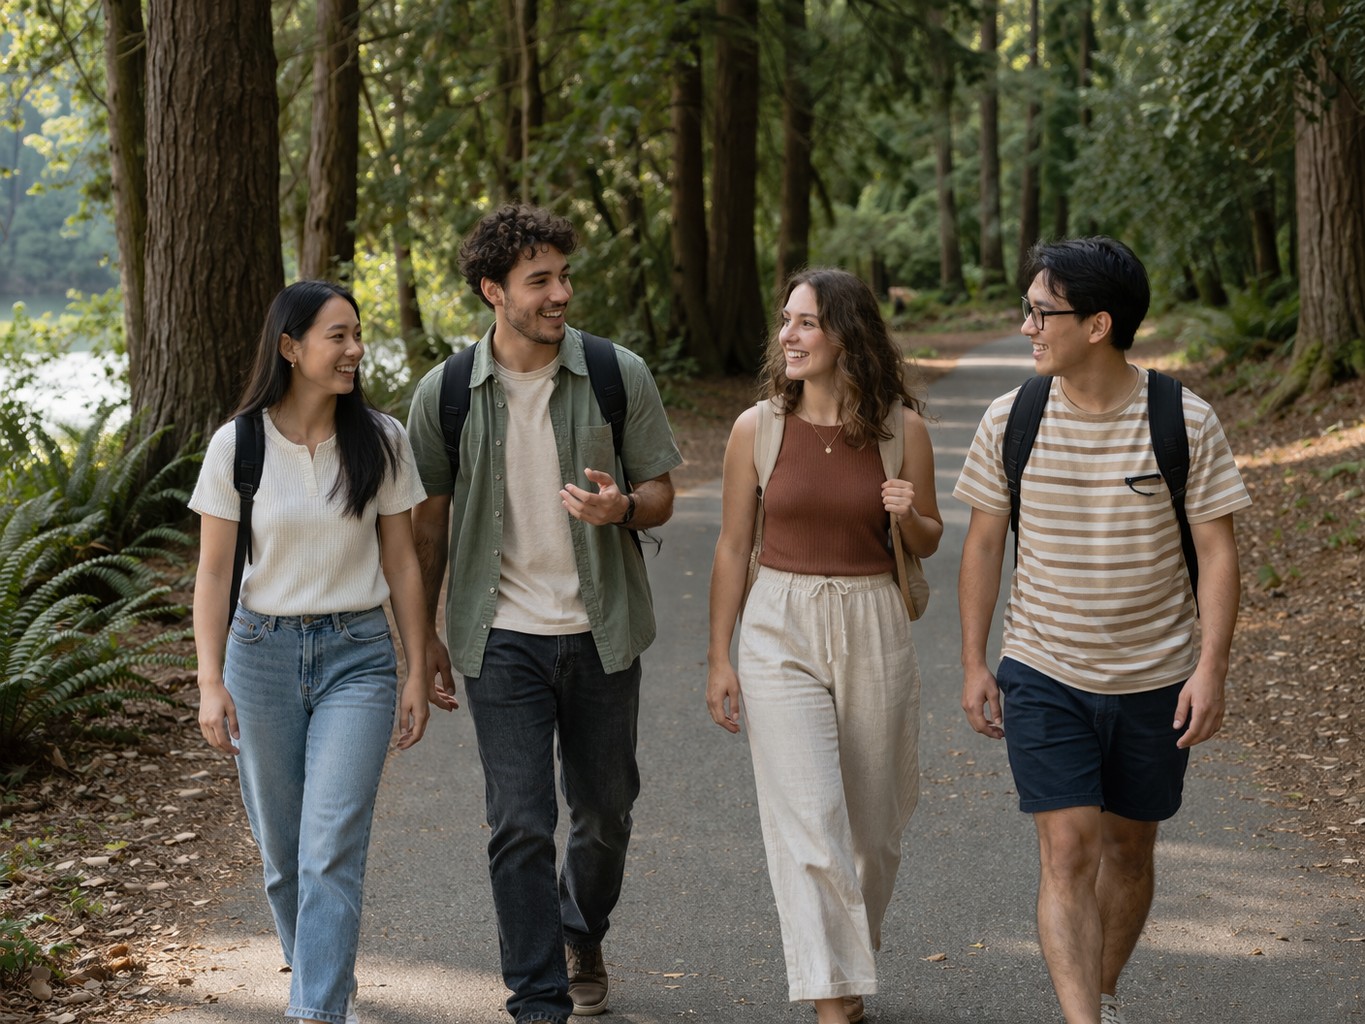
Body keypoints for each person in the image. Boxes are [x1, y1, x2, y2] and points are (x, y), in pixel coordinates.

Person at [954, 237, 1251, 1024]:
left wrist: (1210, 668)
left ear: (1096, 325)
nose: (1025, 326)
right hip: (1043, 668)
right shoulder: (1010, 417)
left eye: (1038, 311)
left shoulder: (1180, 419)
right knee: (1067, 851)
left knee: (1127, 851)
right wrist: (974, 662)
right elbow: (984, 543)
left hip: (1156, 677)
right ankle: (1080, 1019)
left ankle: (1104, 991)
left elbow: (1217, 552)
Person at [405, 204, 682, 1024]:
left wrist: (623, 508)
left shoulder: (613, 372)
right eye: (540, 281)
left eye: (564, 276)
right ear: (494, 291)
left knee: (605, 813)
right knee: (518, 822)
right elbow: (426, 527)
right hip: (500, 640)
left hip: (601, 635)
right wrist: (420, 634)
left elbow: (662, 492)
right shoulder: (446, 393)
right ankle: (537, 996)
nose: (560, 293)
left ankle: (579, 930)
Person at [191, 281, 449, 1024]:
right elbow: (212, 572)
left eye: (357, 334)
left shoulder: (383, 438)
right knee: (282, 858)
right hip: (260, 656)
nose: (354, 349)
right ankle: (323, 977)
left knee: (329, 848)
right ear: (290, 347)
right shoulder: (237, 444)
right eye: (337, 335)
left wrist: (411, 661)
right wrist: (210, 682)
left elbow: (402, 561)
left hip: (357, 657)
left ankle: (317, 1011)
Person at [707, 268, 942, 1024]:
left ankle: (843, 960)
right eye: (785, 322)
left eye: (805, 322)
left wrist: (906, 515)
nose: (788, 336)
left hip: (872, 617)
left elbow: (928, 539)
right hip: (779, 622)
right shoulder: (757, 429)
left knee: (874, 830)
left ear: (846, 333)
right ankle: (833, 999)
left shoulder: (901, 430)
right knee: (808, 819)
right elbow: (730, 546)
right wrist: (720, 656)